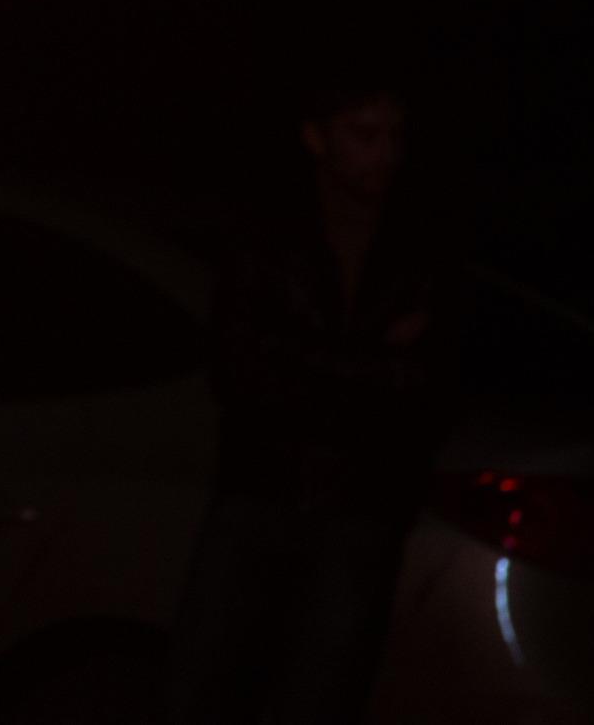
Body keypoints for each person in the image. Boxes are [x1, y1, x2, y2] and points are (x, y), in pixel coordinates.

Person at [159, 74, 460, 724]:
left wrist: (296, 351)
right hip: (257, 498)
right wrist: (377, 364)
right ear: (316, 138)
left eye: (395, 135)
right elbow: (238, 370)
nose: (386, 152)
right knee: (198, 689)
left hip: (362, 510)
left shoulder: (423, 248)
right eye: (365, 134)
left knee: (321, 697)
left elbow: (434, 382)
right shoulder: (269, 236)